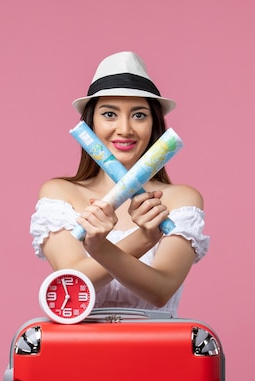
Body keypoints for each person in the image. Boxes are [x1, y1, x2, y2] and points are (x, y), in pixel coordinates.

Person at [30, 51, 209, 316]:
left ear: (154, 125)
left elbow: (160, 291)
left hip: (158, 351)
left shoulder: (181, 199)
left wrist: (101, 247)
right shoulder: (60, 193)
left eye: (139, 115)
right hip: (77, 352)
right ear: (90, 124)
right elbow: (73, 281)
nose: (125, 129)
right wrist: (144, 239)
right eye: (109, 114)